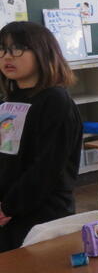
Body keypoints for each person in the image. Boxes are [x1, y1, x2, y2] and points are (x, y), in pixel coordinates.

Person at [0, 21, 82, 252]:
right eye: (2, 49)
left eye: (18, 48)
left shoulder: (55, 101)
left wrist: (8, 207)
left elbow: (46, 168)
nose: (8, 56)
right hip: (9, 207)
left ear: (42, 52)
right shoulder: (9, 99)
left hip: (41, 214)